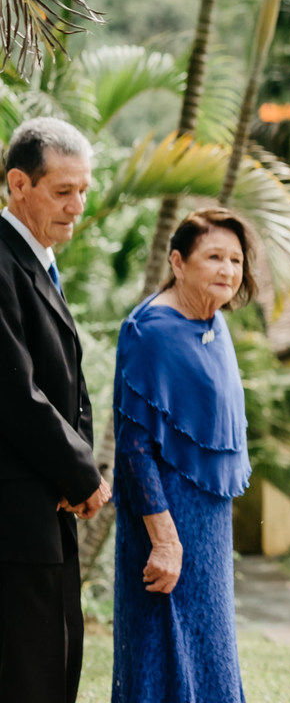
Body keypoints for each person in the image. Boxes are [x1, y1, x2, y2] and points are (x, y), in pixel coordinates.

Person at [110, 208, 255, 702]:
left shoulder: (213, 321)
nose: (228, 270)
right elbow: (132, 448)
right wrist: (165, 541)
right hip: (166, 521)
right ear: (177, 261)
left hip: (209, 520)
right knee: (164, 651)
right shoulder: (149, 331)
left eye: (236, 260)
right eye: (214, 256)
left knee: (212, 650)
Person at [0, 117, 110, 703]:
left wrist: (76, 475)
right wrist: (82, 473)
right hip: (15, 517)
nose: (77, 205)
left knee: (55, 666)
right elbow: (14, 390)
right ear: (19, 184)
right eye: (63, 191)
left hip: (48, 507)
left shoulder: (38, 260)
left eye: (84, 190)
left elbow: (66, 382)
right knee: (27, 675)